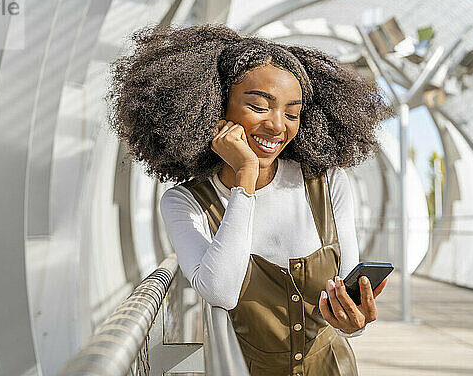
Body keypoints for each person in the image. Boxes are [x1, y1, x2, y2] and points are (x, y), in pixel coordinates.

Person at [107, 24, 394, 376]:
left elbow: (346, 302)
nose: (277, 125)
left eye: (292, 113)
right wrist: (246, 174)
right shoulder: (185, 202)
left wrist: (356, 322)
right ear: (214, 105)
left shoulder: (327, 182)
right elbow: (222, 292)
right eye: (258, 106)